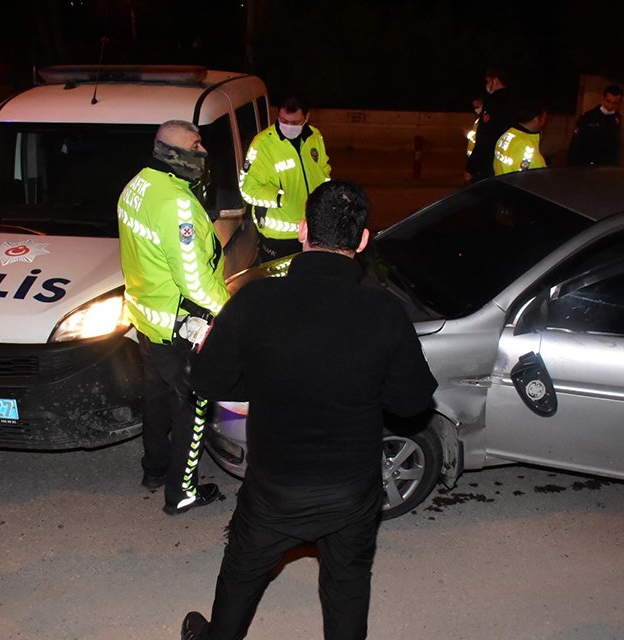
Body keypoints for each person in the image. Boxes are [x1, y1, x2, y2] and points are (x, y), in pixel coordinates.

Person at [181, 179, 438, 640]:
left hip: (273, 490)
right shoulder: (383, 313)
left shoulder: (255, 300)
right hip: (351, 493)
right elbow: (414, 402)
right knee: (347, 585)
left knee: (241, 574)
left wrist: (260, 380)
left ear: (302, 230)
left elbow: (206, 379)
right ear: (361, 241)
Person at [117, 120, 228, 515]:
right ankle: (182, 492)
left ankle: (155, 470)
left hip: (148, 321)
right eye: (195, 144)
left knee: (157, 402)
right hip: (179, 326)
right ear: (171, 152)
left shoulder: (137, 185)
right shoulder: (175, 204)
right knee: (192, 410)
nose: (203, 152)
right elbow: (195, 281)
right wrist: (231, 312)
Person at [239, 95, 331, 262]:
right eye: (283, 121)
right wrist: (279, 198)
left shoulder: (315, 137)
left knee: (308, 280)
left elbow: (323, 170)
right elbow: (247, 188)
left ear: (307, 117)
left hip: (313, 229)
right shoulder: (262, 145)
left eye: (295, 122)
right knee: (279, 285)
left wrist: (326, 198)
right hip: (279, 236)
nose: (288, 126)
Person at [465, 67, 513, 182]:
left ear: (495, 81)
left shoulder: (493, 103)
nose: (487, 85)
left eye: (488, 81)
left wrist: (471, 167)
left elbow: (485, 137)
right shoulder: (514, 101)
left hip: (489, 164)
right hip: (506, 165)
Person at [567, 84, 623, 166]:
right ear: (603, 99)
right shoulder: (588, 117)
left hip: (606, 167)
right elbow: (576, 144)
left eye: (614, 103)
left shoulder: (616, 119)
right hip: (587, 165)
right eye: (608, 101)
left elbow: (615, 147)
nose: (610, 106)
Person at [493, 99, 548, 175]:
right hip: (513, 185)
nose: (545, 121)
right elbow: (534, 177)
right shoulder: (525, 145)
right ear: (536, 119)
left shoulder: (508, 134)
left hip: (502, 183)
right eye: (544, 118)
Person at [464, 94, 484, 160]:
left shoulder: (486, 121)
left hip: (479, 158)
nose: (476, 110)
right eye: (474, 107)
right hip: (473, 157)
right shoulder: (478, 120)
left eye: (477, 107)